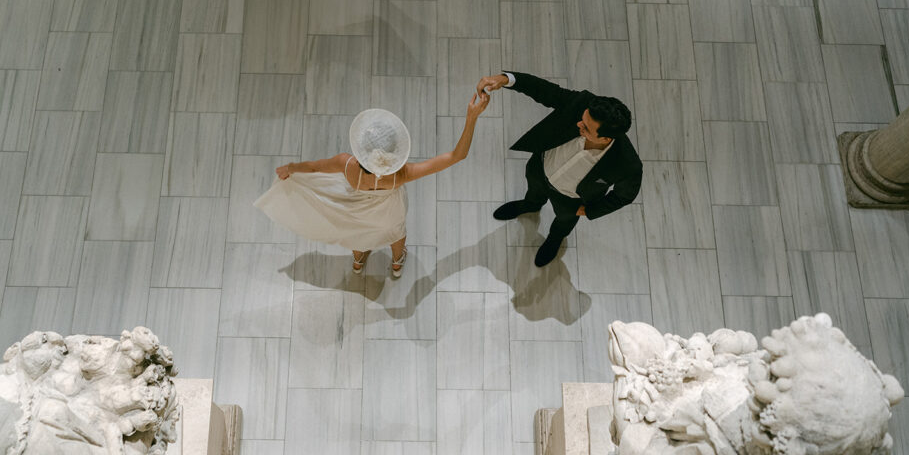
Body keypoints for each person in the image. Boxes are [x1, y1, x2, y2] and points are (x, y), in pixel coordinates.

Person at [254, 92, 490, 277]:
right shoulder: (401, 174)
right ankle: (397, 263)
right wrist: (472, 118)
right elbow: (456, 156)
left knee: (359, 233)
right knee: (396, 234)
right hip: (389, 213)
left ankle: (358, 260)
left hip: (356, 211)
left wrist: (291, 167)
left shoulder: (346, 165)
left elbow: (314, 167)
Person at [476, 71, 642, 267]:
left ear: (606, 138)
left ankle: (554, 240)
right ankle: (529, 205)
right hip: (540, 168)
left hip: (570, 199)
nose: (579, 123)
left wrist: (589, 211)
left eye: (586, 128)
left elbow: (624, 196)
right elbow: (546, 91)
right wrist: (506, 79)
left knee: (564, 222)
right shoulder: (584, 104)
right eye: (582, 118)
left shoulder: (627, 164)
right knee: (533, 191)